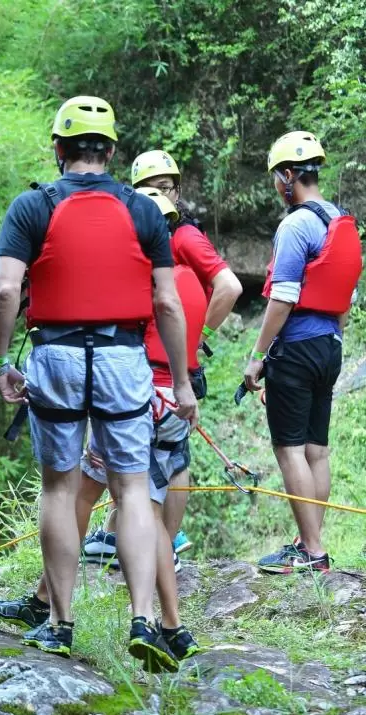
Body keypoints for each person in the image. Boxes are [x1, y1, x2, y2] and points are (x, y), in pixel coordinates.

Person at [0, 96, 197, 672]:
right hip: (123, 357)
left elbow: (6, 292)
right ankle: (143, 620)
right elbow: (167, 302)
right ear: (110, 151)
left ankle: (60, 625)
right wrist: (181, 382)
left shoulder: (32, 206)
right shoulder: (144, 211)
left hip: (54, 354)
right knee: (132, 489)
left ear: (58, 149)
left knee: (60, 487)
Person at [82, 151, 243, 565]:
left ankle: (160, 541)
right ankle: (123, 536)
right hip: (161, 366)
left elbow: (228, 286)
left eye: (165, 187)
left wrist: (198, 337)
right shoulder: (153, 238)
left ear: (176, 190)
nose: (158, 196)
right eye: (149, 190)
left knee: (157, 457)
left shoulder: (184, 236)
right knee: (158, 454)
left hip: (163, 368)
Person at [244, 131, 361, 573]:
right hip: (331, 344)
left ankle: (312, 552)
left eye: (279, 178)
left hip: (296, 346)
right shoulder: (339, 220)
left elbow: (283, 297)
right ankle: (309, 541)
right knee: (318, 450)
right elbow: (344, 298)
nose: (278, 186)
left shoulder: (295, 224)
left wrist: (258, 356)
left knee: (290, 449)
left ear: (288, 176)